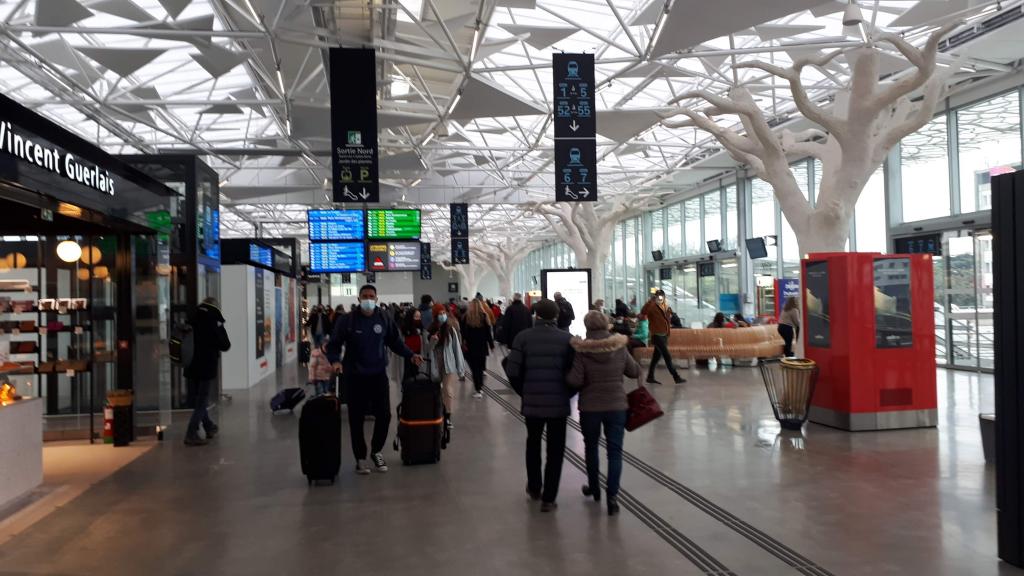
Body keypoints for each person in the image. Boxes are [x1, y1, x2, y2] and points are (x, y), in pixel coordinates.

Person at [328, 284, 422, 475]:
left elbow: (395, 342)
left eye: (371, 296)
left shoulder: (384, 318)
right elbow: (334, 344)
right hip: (355, 376)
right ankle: (360, 457)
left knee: (385, 415)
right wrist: (336, 361)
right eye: (365, 296)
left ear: (377, 299)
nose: (368, 299)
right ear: (359, 298)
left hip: (378, 374)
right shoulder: (348, 320)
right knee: (356, 418)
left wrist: (411, 355)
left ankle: (376, 451)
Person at [502, 299, 574, 512]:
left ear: (536, 315)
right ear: (555, 316)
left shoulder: (523, 337)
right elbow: (575, 375)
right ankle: (549, 498)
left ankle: (534, 487)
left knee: (532, 443)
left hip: (532, 402)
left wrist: (524, 392)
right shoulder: (567, 339)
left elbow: (512, 371)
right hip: (558, 405)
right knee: (556, 449)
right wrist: (567, 394)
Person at [567, 311, 639, 517]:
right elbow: (634, 371)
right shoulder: (618, 346)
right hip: (617, 406)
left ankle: (594, 488)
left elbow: (575, 380)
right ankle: (613, 497)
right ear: (607, 325)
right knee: (615, 452)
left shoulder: (581, 350)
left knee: (591, 448)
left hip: (590, 407)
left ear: (587, 326)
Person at [184, 297, 231, 446]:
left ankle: (209, 426)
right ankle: (191, 433)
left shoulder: (192, 316)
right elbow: (225, 345)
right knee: (201, 400)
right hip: (206, 365)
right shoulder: (214, 320)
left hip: (190, 364)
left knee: (198, 399)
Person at [429, 303, 466, 428]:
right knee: (436, 391)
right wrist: (432, 342)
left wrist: (460, 369)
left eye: (443, 313)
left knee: (447, 390)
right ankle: (437, 413)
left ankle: (448, 416)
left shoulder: (450, 330)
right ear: (435, 316)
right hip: (434, 365)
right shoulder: (429, 330)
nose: (442, 316)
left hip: (448, 365)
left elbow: (457, 349)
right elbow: (427, 350)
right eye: (439, 314)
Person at [640, 290, 686, 385]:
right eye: (658, 296)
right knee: (667, 356)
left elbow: (670, 317)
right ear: (655, 297)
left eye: (662, 296)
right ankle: (676, 377)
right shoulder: (651, 306)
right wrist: (650, 301)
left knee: (656, 357)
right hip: (656, 336)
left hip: (664, 335)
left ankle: (650, 377)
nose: (660, 298)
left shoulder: (664, 306)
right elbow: (643, 312)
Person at [461, 299, 494, 399]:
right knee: (480, 368)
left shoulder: (466, 317)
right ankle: (480, 387)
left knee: (474, 369)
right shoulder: (484, 316)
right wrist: (491, 345)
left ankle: (478, 389)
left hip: (471, 347)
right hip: (482, 347)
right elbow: (488, 333)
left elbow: (463, 333)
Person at [402, 308, 424, 378]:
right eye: (416, 317)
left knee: (416, 372)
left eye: (419, 317)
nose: (418, 319)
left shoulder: (420, 328)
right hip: (407, 355)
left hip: (418, 354)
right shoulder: (404, 329)